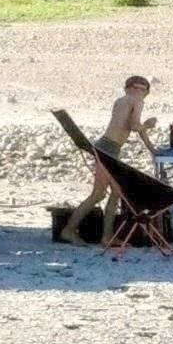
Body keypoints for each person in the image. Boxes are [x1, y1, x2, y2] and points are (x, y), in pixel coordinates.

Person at [59, 75, 158, 246]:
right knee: (103, 193)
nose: (138, 92)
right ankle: (72, 231)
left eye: (142, 89)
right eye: (136, 88)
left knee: (110, 192)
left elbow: (135, 126)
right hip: (108, 149)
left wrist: (153, 149)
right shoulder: (137, 101)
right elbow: (136, 127)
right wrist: (148, 125)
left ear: (146, 92)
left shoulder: (122, 101)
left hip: (107, 147)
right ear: (128, 89)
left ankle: (105, 236)